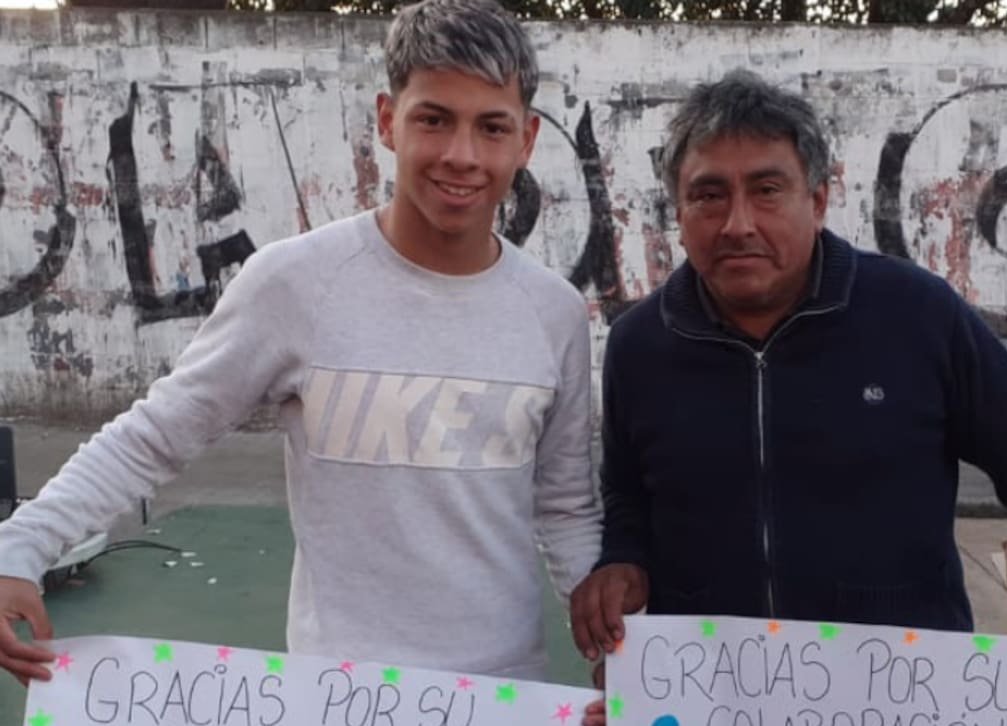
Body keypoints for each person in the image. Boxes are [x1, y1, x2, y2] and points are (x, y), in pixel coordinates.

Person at [0, 0, 601, 686]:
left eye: (491, 127)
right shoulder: (294, 284)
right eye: (433, 119)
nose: (461, 154)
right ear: (387, 121)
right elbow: (155, 434)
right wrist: (19, 547)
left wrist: (615, 653)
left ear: (524, 141)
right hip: (328, 709)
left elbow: (565, 506)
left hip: (506, 704)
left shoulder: (553, 313)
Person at [571, 69, 1007, 707]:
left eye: (767, 189)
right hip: (717, 710)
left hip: (900, 710)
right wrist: (624, 559)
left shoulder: (916, 314)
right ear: (678, 211)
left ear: (817, 200)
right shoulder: (640, 346)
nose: (737, 223)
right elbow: (629, 494)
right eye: (709, 195)